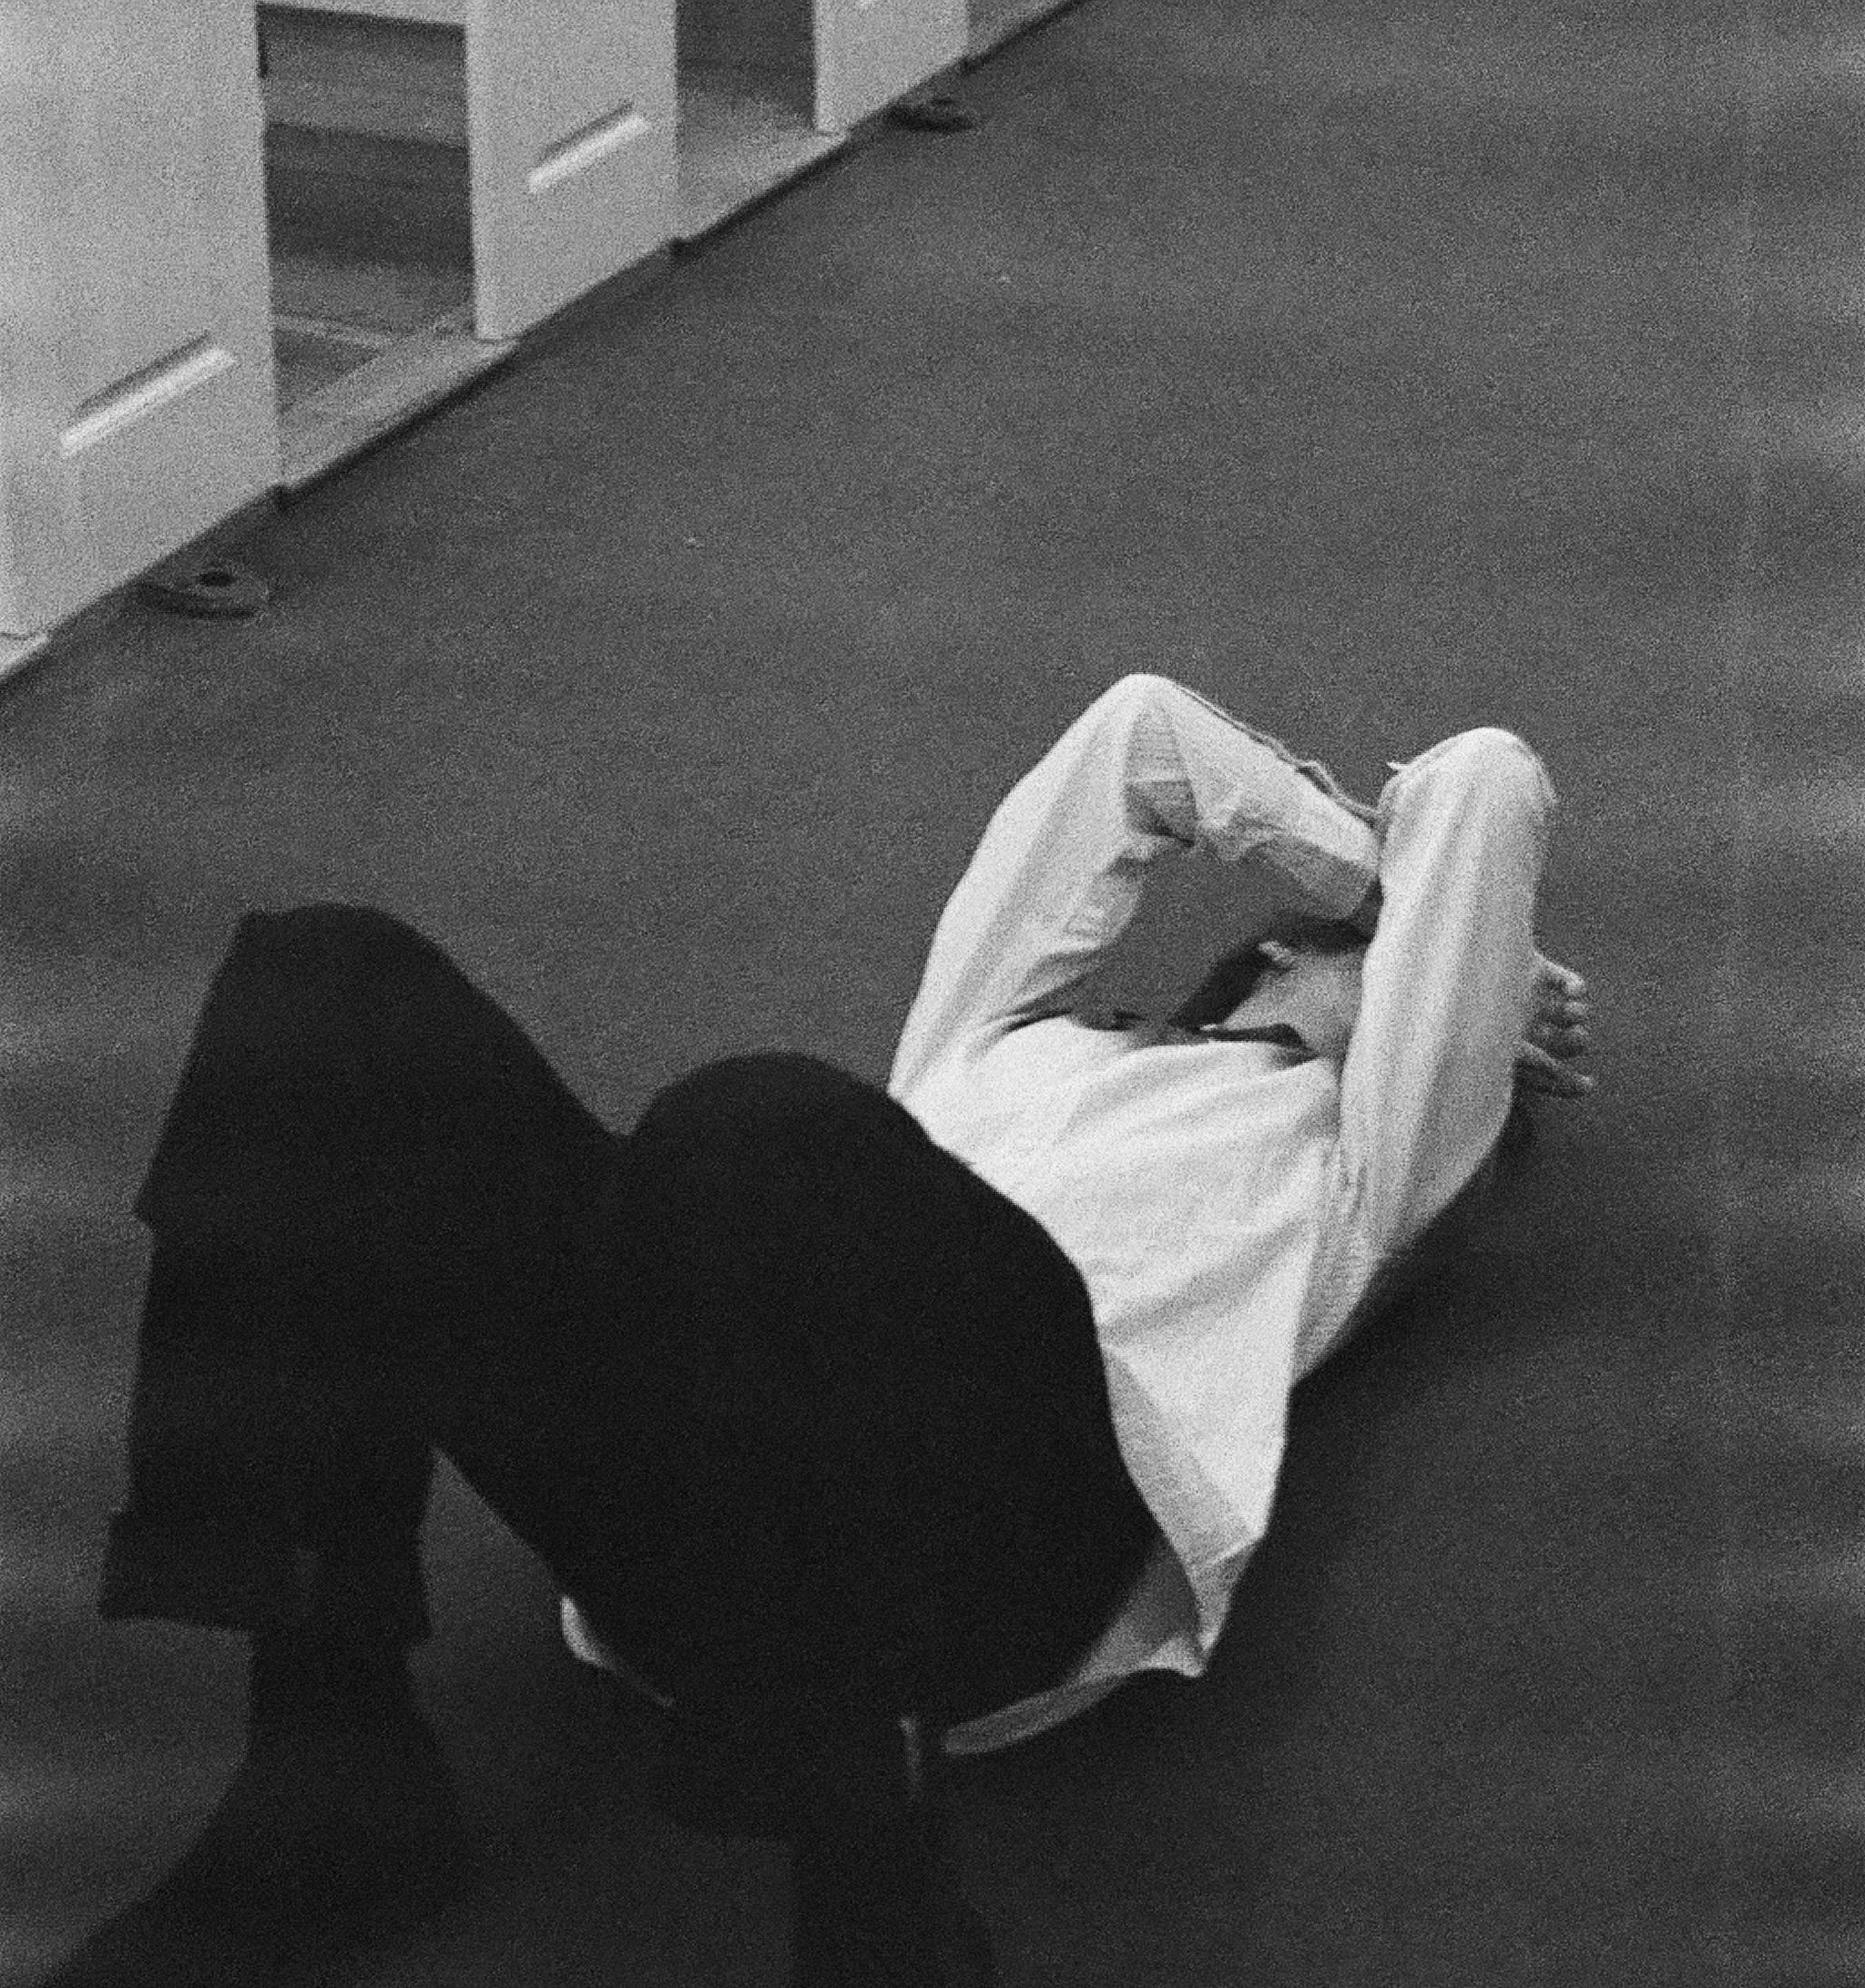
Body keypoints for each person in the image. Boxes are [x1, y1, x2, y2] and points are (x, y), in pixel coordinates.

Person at [48, 678, 1591, 1988]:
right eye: (1376, 953)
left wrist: (1446, 963)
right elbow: (1141, 736)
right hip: (703, 1512)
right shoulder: (1009, 1042)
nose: (1411, 980)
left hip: (998, 1558)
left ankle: (875, 1897)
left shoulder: (1356, 1175)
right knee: (327, 982)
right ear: (1280, 946)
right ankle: (333, 1773)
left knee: (765, 1131)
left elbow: (1485, 781)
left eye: (1429, 977)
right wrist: (1368, 886)